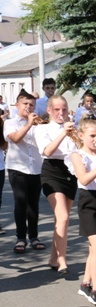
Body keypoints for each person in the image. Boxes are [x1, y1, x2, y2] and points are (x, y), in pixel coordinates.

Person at [68, 119, 96, 306]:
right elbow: (84, 179)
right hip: (89, 201)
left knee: (95, 249)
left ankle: (85, 284)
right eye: (92, 136)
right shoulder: (77, 155)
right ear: (81, 136)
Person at [35, 95, 78, 274]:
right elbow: (47, 151)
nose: (61, 113)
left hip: (70, 172)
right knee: (63, 217)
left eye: (64, 110)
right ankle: (62, 260)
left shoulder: (73, 128)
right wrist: (63, 133)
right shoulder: (42, 129)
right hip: (51, 171)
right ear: (49, 111)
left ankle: (53, 258)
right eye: (57, 110)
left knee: (61, 221)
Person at [4, 91, 44, 253]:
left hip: (35, 167)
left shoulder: (39, 124)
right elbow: (15, 138)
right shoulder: (10, 123)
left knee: (33, 204)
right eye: (25, 104)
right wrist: (29, 124)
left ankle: (33, 236)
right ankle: (21, 237)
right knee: (21, 202)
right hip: (17, 167)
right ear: (17, 105)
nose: (28, 107)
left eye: (31, 105)